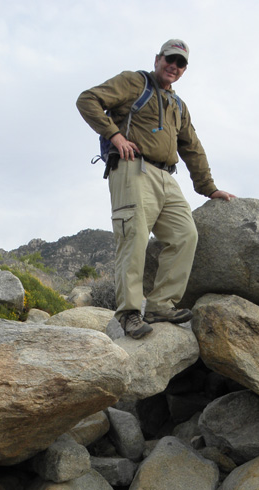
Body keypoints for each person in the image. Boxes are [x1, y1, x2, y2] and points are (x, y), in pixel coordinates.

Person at [77, 39, 235, 339]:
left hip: (166, 176)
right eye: (169, 60)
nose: (173, 67)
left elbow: (192, 147)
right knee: (134, 237)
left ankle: (161, 304)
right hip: (132, 168)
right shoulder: (134, 82)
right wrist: (115, 136)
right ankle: (129, 313)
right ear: (157, 59)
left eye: (180, 63)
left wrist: (208, 188)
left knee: (185, 235)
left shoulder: (178, 105)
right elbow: (87, 100)